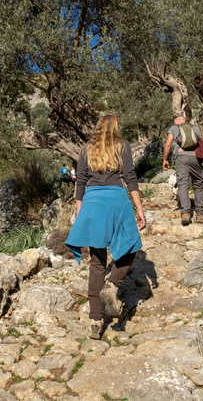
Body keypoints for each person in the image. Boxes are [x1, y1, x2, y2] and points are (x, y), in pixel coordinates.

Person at [65, 114, 146, 339]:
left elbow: (80, 181)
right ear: (114, 127)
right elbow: (130, 177)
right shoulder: (123, 146)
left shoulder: (86, 149)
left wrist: (80, 210)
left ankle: (95, 321)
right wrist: (139, 208)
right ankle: (112, 285)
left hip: (92, 202)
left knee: (97, 262)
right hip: (116, 201)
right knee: (131, 248)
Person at [162, 114, 203, 225]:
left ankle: (186, 213)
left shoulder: (174, 128)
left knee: (183, 184)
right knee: (198, 184)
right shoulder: (195, 128)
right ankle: (200, 214)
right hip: (195, 157)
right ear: (186, 120)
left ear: (176, 122)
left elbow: (168, 145)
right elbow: (199, 143)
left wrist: (165, 159)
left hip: (182, 157)